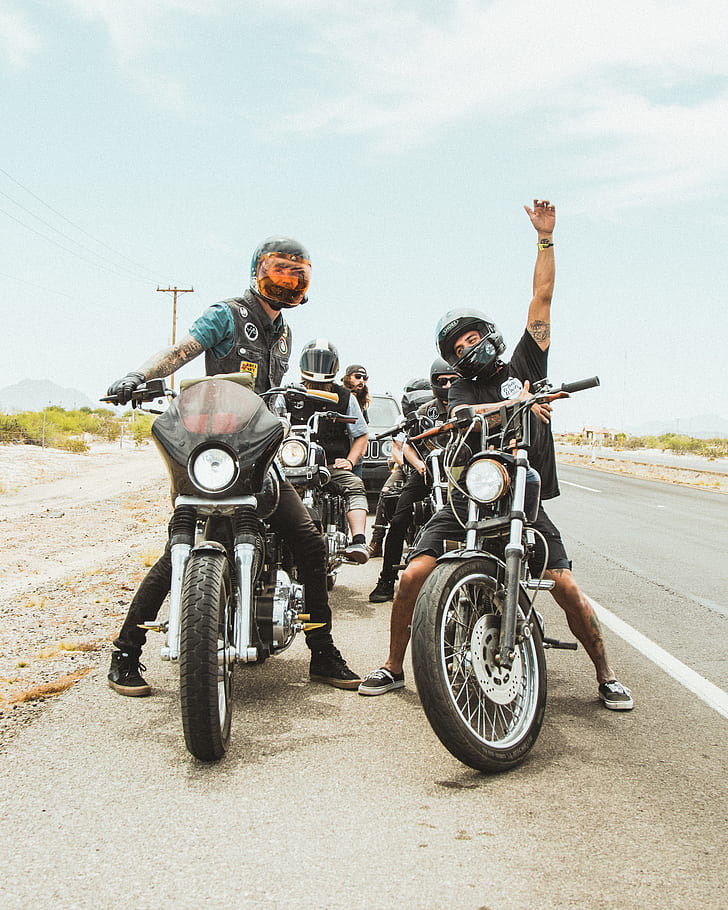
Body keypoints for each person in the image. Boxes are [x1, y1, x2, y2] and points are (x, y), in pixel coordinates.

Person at [358, 200, 633, 711]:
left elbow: (542, 298)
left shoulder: (526, 361)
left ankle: (606, 673)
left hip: (522, 496)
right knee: (414, 574)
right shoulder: (460, 389)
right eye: (459, 342)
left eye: (474, 334)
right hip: (469, 493)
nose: (470, 344)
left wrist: (545, 238)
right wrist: (523, 401)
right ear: (454, 355)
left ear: (490, 334)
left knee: (564, 584)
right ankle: (394, 666)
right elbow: (469, 420)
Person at [106, 237, 361, 695]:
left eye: (296, 274)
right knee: (174, 553)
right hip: (210, 453)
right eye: (280, 270)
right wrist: (141, 377)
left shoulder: (284, 332)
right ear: (257, 271)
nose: (288, 281)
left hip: (257, 454)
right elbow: (180, 351)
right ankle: (125, 654)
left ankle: (322, 651)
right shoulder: (227, 313)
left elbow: (268, 395)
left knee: (308, 540)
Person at [368, 358, 458, 603]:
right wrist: (419, 464)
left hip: (462, 473)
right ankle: (386, 580)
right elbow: (406, 444)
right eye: (442, 381)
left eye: (453, 380)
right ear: (434, 383)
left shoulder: (471, 404)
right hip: (428, 471)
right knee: (398, 520)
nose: (448, 386)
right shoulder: (423, 412)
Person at [297, 340, 370, 564]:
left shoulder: (346, 397)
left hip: (330, 466)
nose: (318, 367)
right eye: (314, 360)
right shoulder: (290, 393)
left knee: (355, 485)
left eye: (324, 361)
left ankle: (358, 540)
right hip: (295, 464)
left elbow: (361, 434)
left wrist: (350, 460)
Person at [341, 364, 370, 478]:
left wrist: (363, 447)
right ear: (348, 378)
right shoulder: (341, 397)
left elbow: (365, 427)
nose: (361, 381)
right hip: (339, 454)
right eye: (357, 377)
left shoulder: (362, 402)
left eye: (364, 378)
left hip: (355, 458)